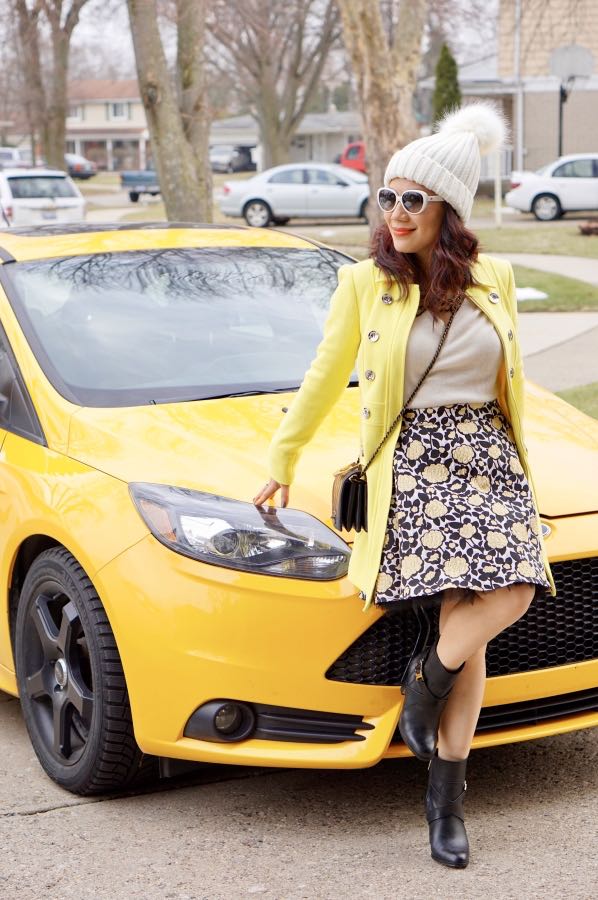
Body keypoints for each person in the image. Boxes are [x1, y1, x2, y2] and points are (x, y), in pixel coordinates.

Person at [253, 102, 556, 869]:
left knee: (511, 591)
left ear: (447, 209)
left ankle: (425, 679)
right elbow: (325, 376)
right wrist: (281, 460)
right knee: (469, 618)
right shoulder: (365, 284)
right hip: (414, 461)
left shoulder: (499, 277)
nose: (393, 213)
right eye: (385, 197)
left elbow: (512, 378)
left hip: (489, 459)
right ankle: (445, 805)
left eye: (411, 199)